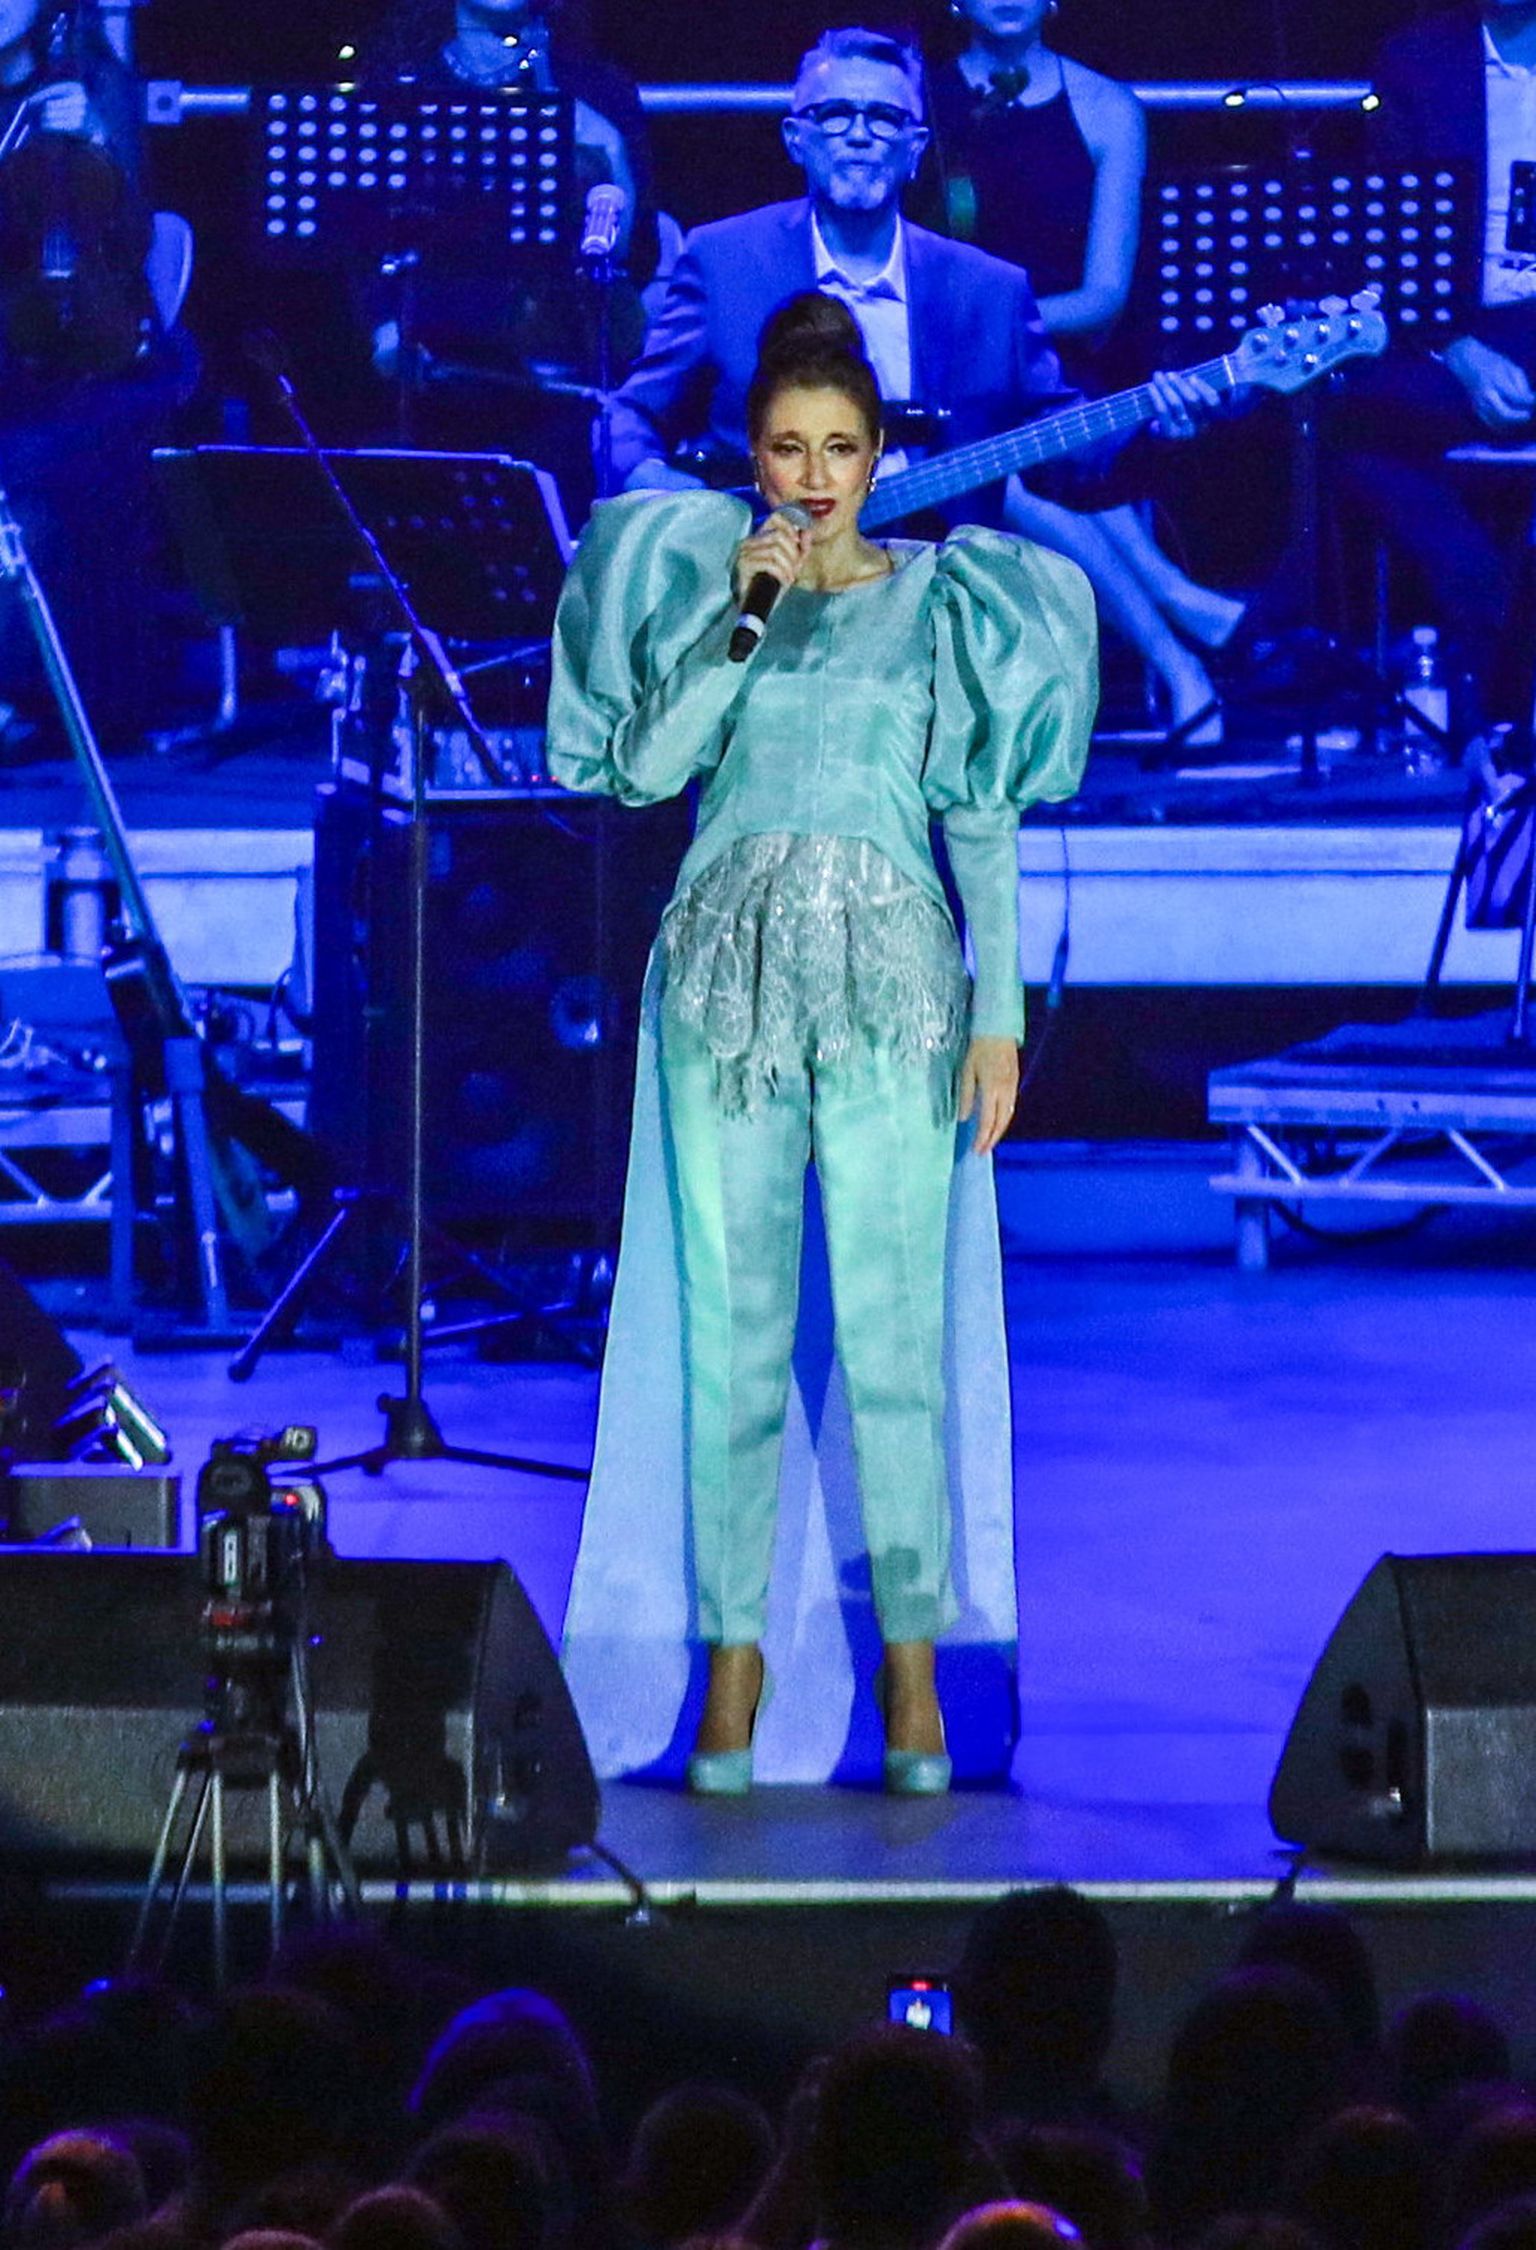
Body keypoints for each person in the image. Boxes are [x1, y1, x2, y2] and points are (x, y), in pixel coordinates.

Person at [546, 290, 1097, 1792]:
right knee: (729, 1342)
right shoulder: (712, 591)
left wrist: (1001, 1020)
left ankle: (913, 1677)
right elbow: (644, 772)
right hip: (723, 982)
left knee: (894, 1341)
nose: (814, 476)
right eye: (787, 449)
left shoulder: (946, 600)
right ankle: (732, 1668)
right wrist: (740, 623)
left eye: (840, 448)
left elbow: (980, 820)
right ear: (755, 460)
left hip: (892, 985)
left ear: (875, 456)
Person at [918, 0, 1245, 751]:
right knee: (994, 444)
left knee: (1034, 432)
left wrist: (1000, 326)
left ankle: (1179, 637)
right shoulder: (921, 103)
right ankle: (1177, 631)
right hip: (941, 368)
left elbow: (1102, 299)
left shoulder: (1107, 108)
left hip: (1063, 357)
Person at [607, 26, 1073, 502]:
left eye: (884, 118)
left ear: (915, 147)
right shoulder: (724, 261)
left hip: (938, 546)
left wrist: (1127, 438)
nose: (859, 135)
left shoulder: (991, 290)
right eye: (835, 115)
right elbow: (634, 413)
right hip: (764, 544)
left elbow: (1072, 460)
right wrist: (652, 482)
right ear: (795, 140)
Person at [1329, 0, 1536, 733]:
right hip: (1463, 323)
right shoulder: (1420, 59)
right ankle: (1493, 611)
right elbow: (1389, 235)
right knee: (1348, 414)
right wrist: (1459, 350)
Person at [364, 0, 655, 496]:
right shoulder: (406, 84)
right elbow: (366, 235)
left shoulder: (598, 87)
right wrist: (385, 328)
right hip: (438, 371)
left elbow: (638, 250)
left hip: (562, 377)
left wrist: (608, 149)